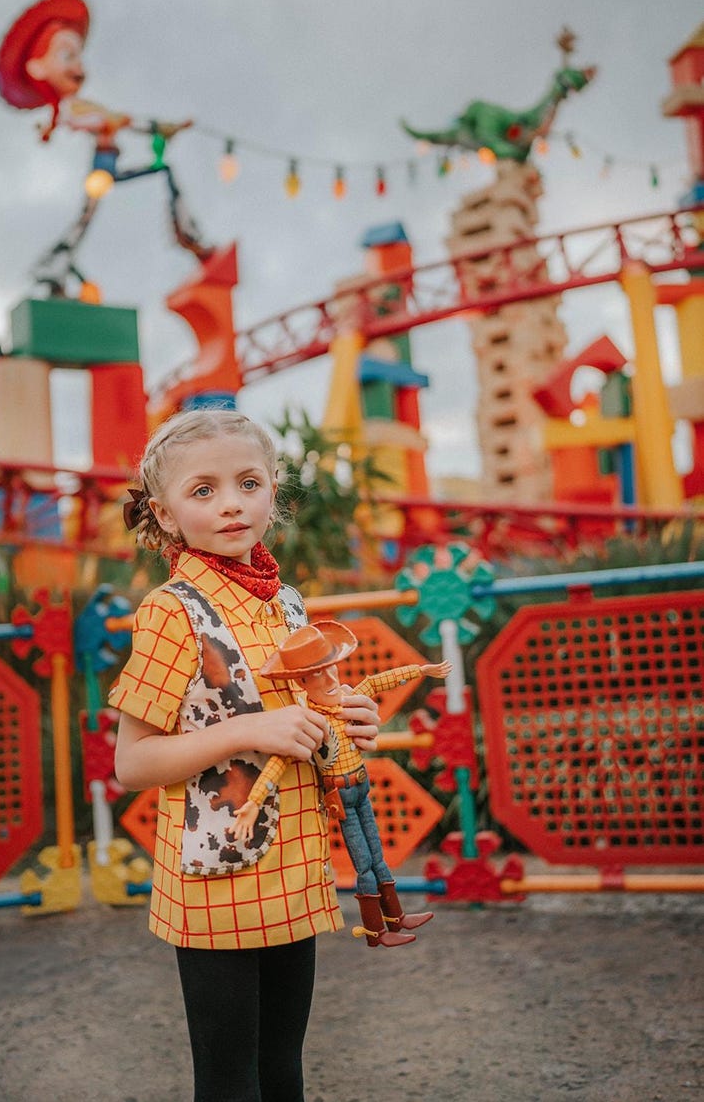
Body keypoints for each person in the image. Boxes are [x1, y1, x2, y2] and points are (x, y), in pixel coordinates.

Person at [111, 408, 380, 1102]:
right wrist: (248, 731)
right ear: (166, 515)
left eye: (248, 482)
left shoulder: (285, 602)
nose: (231, 502)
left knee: (284, 1067)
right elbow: (132, 763)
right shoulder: (171, 612)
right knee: (230, 1080)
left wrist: (349, 718)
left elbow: (305, 714)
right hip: (215, 878)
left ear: (272, 490)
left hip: (292, 867)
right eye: (203, 490)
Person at [231, 622, 450, 948]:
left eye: (331, 669)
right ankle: (376, 931)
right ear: (302, 681)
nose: (332, 680)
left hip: (360, 787)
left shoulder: (347, 701)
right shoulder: (308, 721)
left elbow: (378, 681)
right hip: (340, 794)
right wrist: (254, 801)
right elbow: (279, 762)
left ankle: (396, 916)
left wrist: (421, 670)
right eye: (318, 675)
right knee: (363, 863)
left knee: (378, 855)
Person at [0, 0, 212, 295]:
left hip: (107, 171)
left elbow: (135, 123)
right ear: (38, 67)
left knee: (92, 215)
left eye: (78, 56)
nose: (80, 68)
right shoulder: (76, 110)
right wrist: (107, 123)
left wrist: (170, 128)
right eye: (67, 56)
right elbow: (79, 121)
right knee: (84, 221)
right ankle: (54, 268)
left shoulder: (92, 109)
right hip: (100, 173)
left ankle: (187, 236)